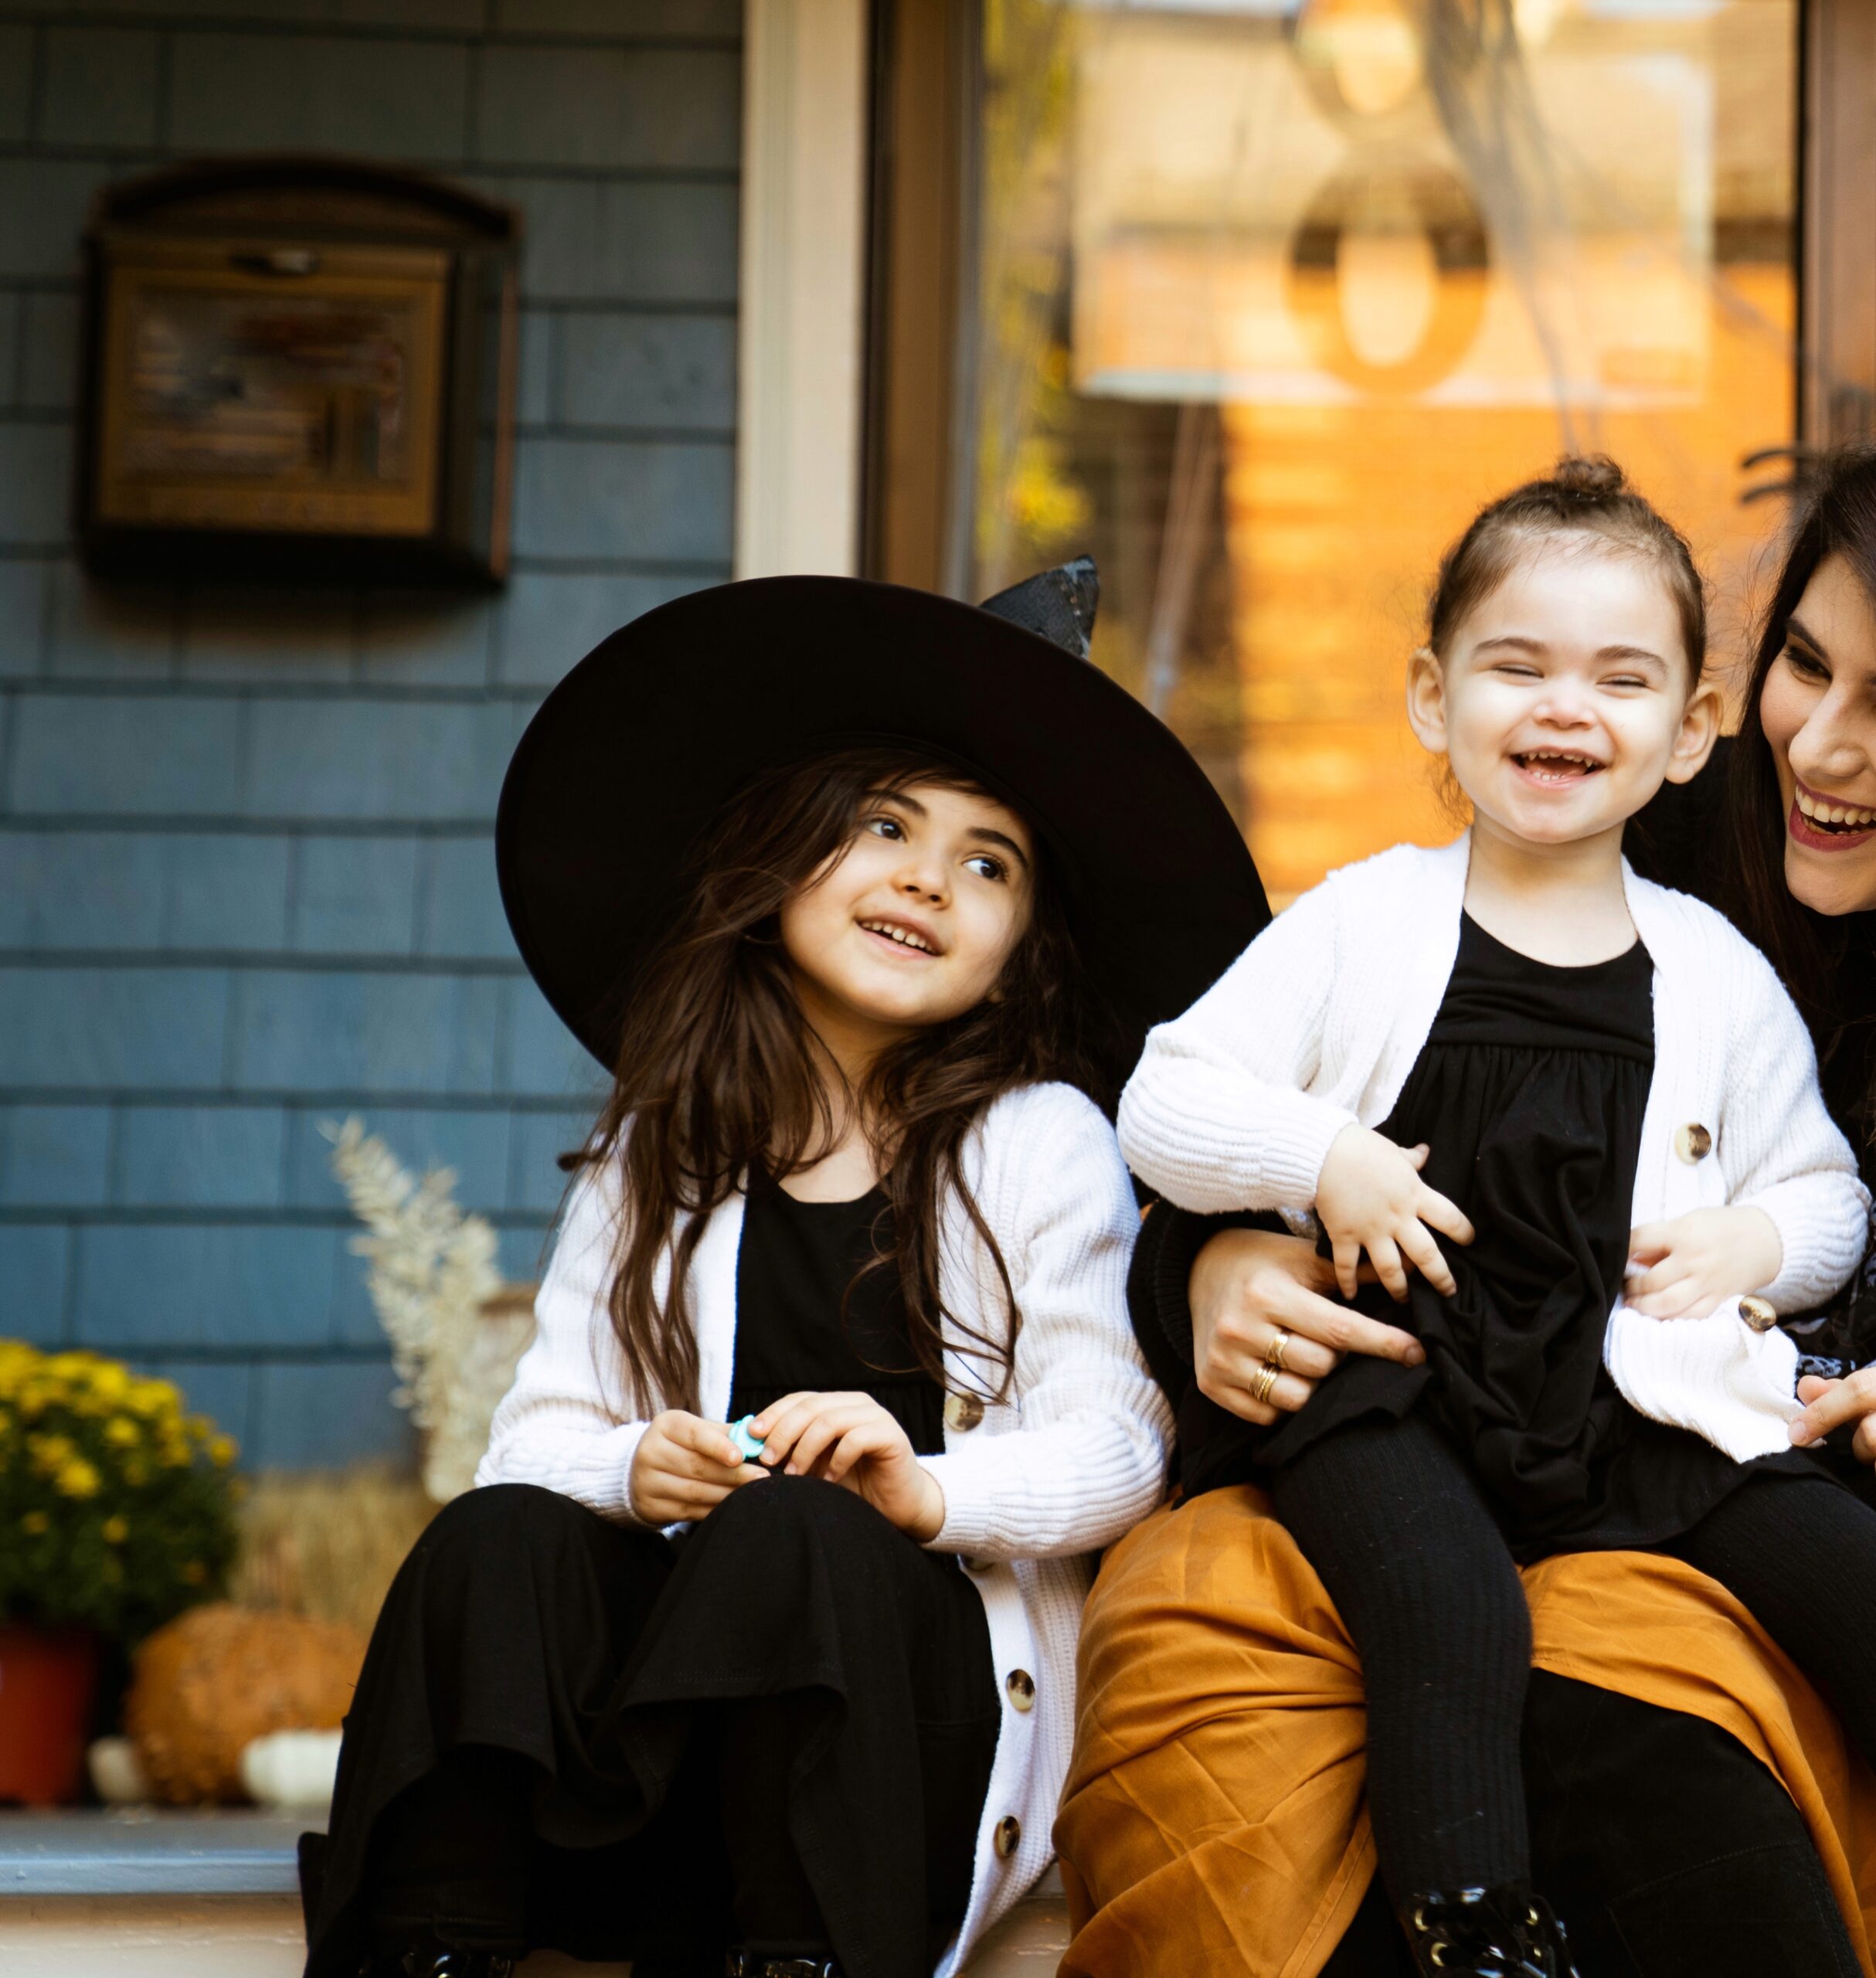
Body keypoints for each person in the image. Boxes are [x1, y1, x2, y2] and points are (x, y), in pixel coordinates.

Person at [297, 562, 1267, 1978]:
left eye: (988, 863)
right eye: (885, 826)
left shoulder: (1041, 1142)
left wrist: (924, 1487)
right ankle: (431, 1943)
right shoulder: (665, 1144)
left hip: (884, 1757)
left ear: (1018, 956)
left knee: (799, 1531)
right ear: (781, 863)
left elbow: (1121, 1444)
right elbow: (535, 1439)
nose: (929, 879)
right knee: (490, 1539)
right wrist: (640, 1469)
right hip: (652, 1770)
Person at [1113, 456, 1874, 1976]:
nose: (1561, 709)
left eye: (1617, 677)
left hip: (1631, 1411)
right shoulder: (1361, 920)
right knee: (1439, 1598)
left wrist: (1756, 1245)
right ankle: (1469, 1916)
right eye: (1513, 665)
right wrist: (1281, 1192)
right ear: (1427, 696)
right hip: (1400, 1386)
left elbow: (1820, 1192)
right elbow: (1164, 1101)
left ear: (1682, 725)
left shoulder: (1706, 967)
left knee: (1834, 1571)